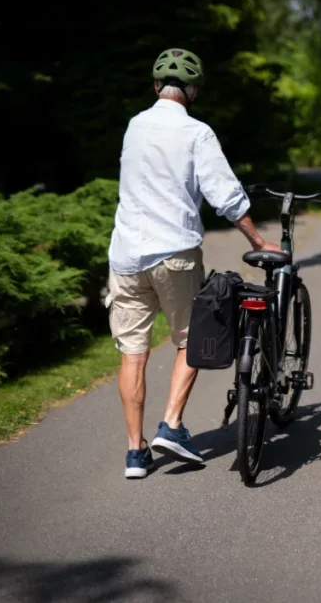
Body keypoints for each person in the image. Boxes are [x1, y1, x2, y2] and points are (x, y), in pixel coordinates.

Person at [106, 48, 281, 479]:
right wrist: (259, 240)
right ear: (194, 89)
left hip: (126, 254)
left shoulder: (134, 126)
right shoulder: (196, 133)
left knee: (132, 353)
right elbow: (224, 194)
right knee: (192, 337)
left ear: (155, 87)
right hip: (174, 254)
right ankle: (172, 424)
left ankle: (135, 453)